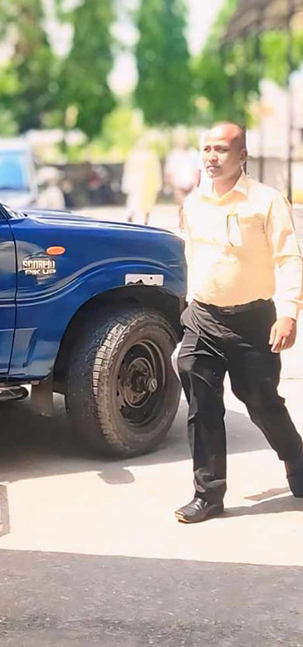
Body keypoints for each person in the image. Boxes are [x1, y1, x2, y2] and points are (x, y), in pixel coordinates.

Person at [174, 122, 303, 524]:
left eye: (222, 149)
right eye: (207, 149)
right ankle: (208, 494)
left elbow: (288, 258)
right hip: (203, 318)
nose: (212, 157)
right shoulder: (194, 203)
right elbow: (193, 257)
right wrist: (189, 306)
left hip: (253, 322)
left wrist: (288, 313)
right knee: (202, 406)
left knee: (261, 402)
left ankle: (296, 457)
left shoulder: (266, 202)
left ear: (242, 156)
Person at [122, 136, 162, 225]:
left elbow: (156, 170)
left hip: (147, 182)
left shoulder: (150, 155)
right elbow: (128, 170)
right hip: (139, 183)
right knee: (137, 201)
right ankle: (133, 215)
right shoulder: (135, 155)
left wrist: (157, 184)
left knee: (146, 202)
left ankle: (143, 219)